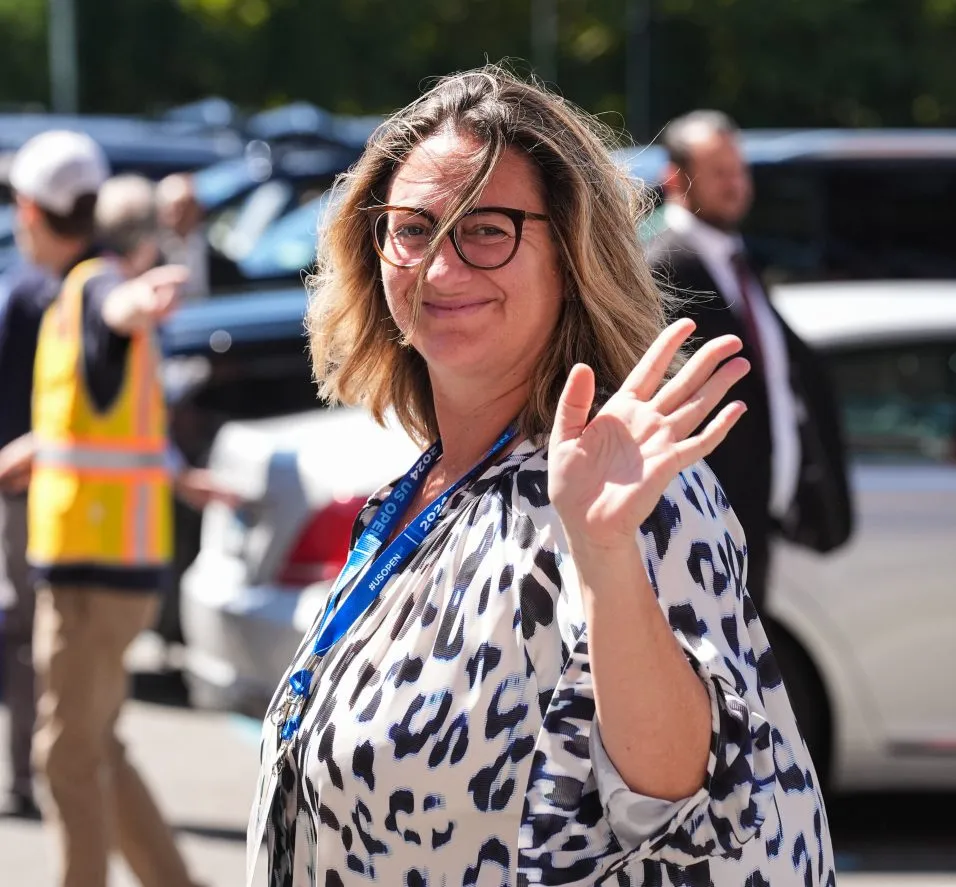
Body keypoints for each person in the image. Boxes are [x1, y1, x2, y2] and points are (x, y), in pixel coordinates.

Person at [248, 68, 835, 887]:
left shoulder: (637, 492)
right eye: (412, 228)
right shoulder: (419, 492)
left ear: (572, 253)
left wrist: (603, 552)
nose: (440, 268)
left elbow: (688, 796)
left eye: (486, 229)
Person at [0, 130, 207, 887]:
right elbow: (89, 420)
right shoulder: (85, 287)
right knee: (96, 746)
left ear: (30, 211)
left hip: (91, 569)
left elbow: (112, 311)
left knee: (66, 754)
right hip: (107, 561)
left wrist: (133, 302)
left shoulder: (89, 286)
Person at [645, 110, 852, 612]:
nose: (736, 184)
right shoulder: (661, 267)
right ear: (674, 179)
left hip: (754, 519)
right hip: (696, 526)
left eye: (740, 170)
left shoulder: (738, 260)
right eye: (719, 172)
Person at [0, 259, 58, 819]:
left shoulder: (27, 292)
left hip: (31, 493)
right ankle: (30, 776)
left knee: (26, 635)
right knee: (28, 635)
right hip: (37, 494)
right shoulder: (39, 292)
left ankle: (31, 776)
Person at [155, 172, 209, 300]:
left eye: (187, 207)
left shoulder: (210, 247)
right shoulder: (150, 252)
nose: (181, 215)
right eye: (176, 208)